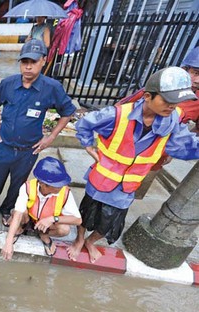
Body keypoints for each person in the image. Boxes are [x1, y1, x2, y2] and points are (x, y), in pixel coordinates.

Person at [68, 67, 199, 263]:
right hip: (101, 180)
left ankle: (90, 242)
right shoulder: (117, 115)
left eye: (176, 102)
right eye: (166, 100)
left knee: (109, 224)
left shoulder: (172, 124)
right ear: (147, 96)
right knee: (86, 215)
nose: (172, 106)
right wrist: (88, 144)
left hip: (127, 188)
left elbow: (186, 147)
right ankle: (79, 239)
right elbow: (85, 123)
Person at [0, 39, 76, 227]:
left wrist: (51, 137)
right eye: (24, 62)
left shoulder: (51, 88)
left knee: (18, 186)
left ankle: (6, 210)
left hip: (28, 151)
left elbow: (67, 112)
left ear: (43, 61)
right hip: (4, 146)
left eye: (33, 62)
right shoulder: (8, 84)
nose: (28, 67)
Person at [1, 157, 82, 259]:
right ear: (43, 184)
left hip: (47, 224)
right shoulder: (27, 187)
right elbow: (17, 215)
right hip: (29, 218)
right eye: (57, 185)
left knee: (64, 229)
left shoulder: (65, 193)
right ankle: (20, 228)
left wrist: (52, 219)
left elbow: (78, 220)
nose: (61, 187)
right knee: (21, 212)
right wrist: (8, 242)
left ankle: (43, 234)